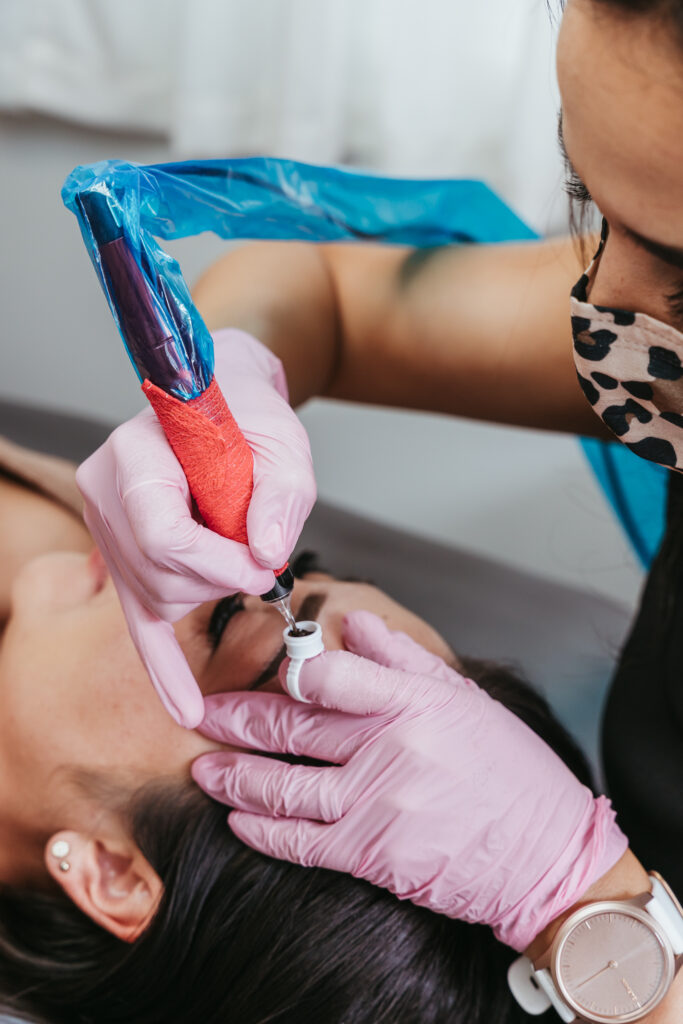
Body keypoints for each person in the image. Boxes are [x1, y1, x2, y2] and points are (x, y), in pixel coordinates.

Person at [74, 0, 683, 1019]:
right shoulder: (642, 337)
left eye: (679, 264)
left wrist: (580, 902)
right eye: (586, 196)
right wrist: (221, 399)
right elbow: (328, 298)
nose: (599, 295)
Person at [0, 427, 600, 1021]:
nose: (221, 556)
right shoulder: (66, 545)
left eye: (228, 621)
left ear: (113, 874)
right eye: (307, 567)